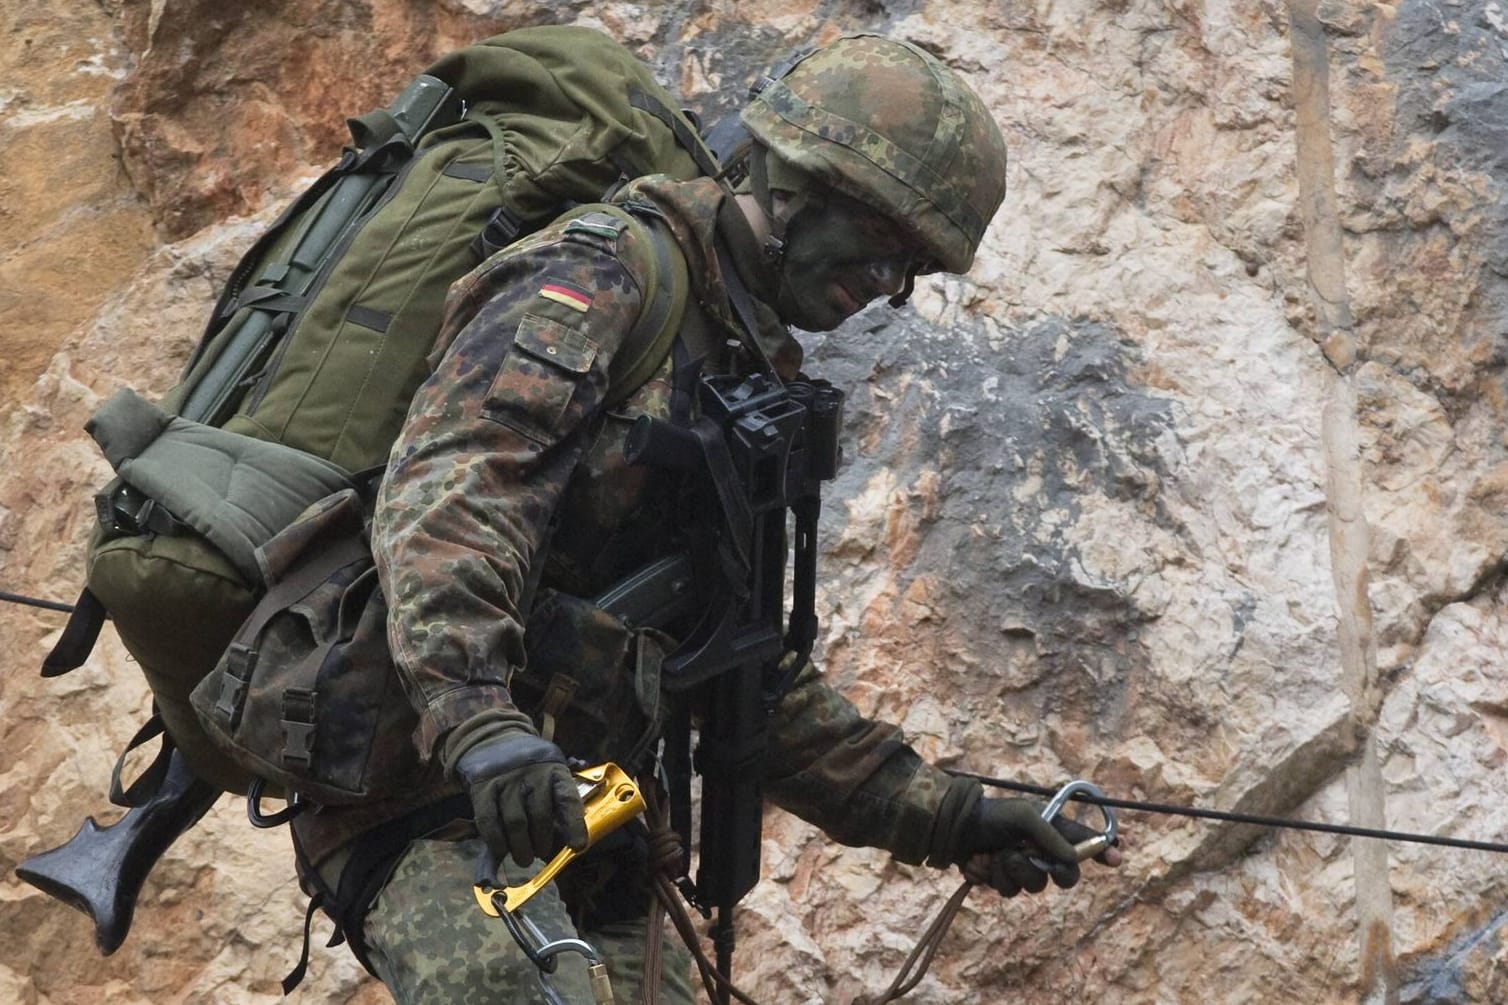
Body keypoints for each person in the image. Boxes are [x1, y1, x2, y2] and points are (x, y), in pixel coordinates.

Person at [291, 33, 1123, 1003]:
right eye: (885, 241)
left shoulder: (737, 375)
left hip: (590, 823)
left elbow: (740, 673)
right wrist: (481, 725)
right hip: (423, 799)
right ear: (802, 182)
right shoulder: (602, 280)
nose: (886, 288)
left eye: (914, 268)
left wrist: (951, 816)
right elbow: (448, 507)